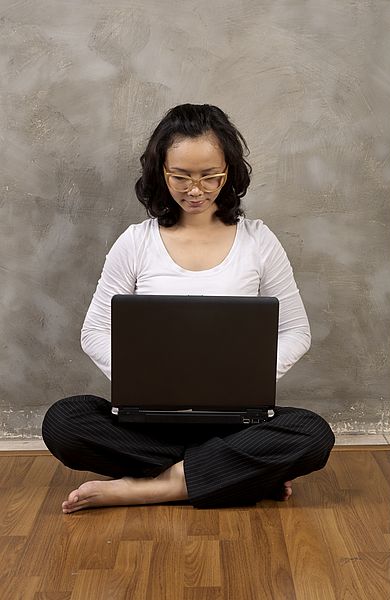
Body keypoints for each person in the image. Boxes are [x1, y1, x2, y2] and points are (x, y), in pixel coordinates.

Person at [42, 103, 335, 514]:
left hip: (236, 419)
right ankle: (232, 475)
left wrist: (245, 378)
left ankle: (153, 487)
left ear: (229, 171)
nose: (195, 190)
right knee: (64, 422)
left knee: (312, 433)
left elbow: (296, 331)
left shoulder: (258, 241)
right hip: (151, 421)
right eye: (180, 176)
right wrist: (142, 379)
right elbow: (94, 331)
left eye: (209, 176)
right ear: (160, 171)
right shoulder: (135, 242)